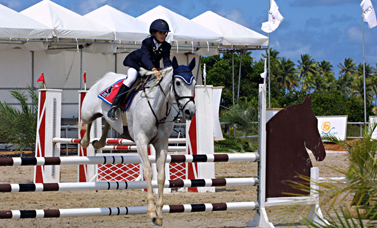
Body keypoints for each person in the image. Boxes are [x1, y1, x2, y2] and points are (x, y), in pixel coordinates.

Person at [108, 19, 172, 121]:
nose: (163, 35)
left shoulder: (166, 46)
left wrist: (170, 72)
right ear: (153, 33)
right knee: (131, 79)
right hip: (137, 64)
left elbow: (167, 60)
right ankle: (114, 106)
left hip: (151, 67)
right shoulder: (147, 42)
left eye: (165, 33)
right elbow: (145, 58)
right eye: (160, 33)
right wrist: (154, 70)